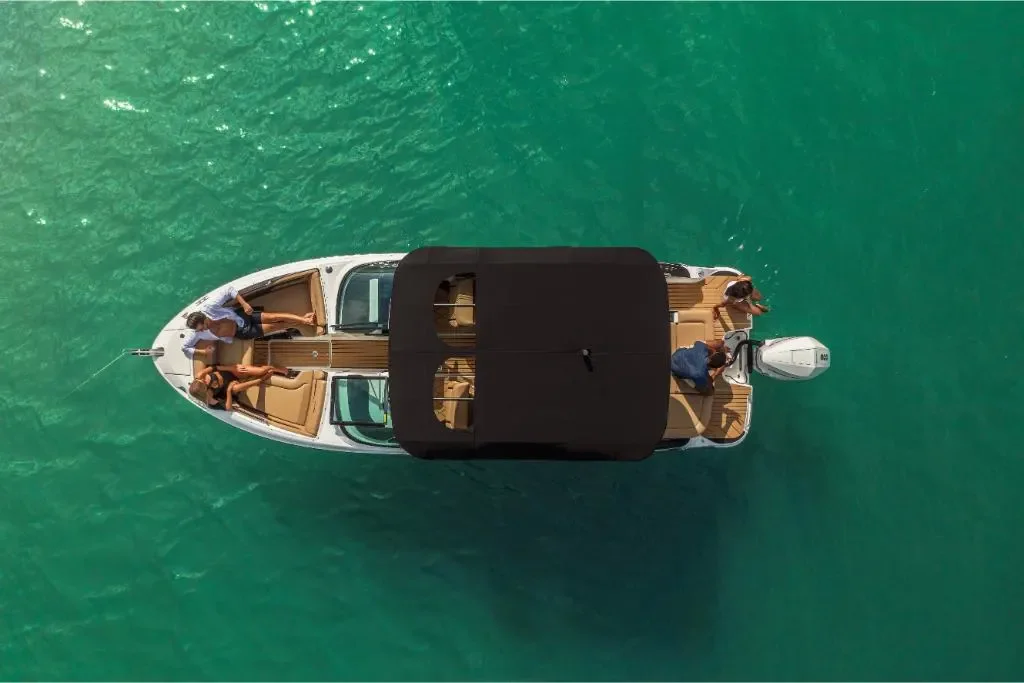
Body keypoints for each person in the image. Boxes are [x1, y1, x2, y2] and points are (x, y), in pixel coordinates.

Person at [181, 283, 317, 360]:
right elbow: (185, 348)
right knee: (275, 326)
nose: (203, 330)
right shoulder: (197, 332)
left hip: (242, 317)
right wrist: (203, 353)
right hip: (242, 332)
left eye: (203, 326)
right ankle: (303, 321)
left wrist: (245, 304)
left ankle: (304, 319)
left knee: (274, 316)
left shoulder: (209, 307)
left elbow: (229, 290)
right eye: (200, 330)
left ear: (204, 317)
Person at [188, 364, 288, 411]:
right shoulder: (209, 399)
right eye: (203, 383)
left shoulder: (200, 376)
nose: (204, 380)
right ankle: (260, 380)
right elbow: (228, 408)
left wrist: (233, 368)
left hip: (229, 372)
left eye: (201, 380)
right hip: (231, 385)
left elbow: (215, 367)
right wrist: (228, 391)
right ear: (204, 391)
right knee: (234, 389)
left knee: (261, 371)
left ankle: (279, 369)